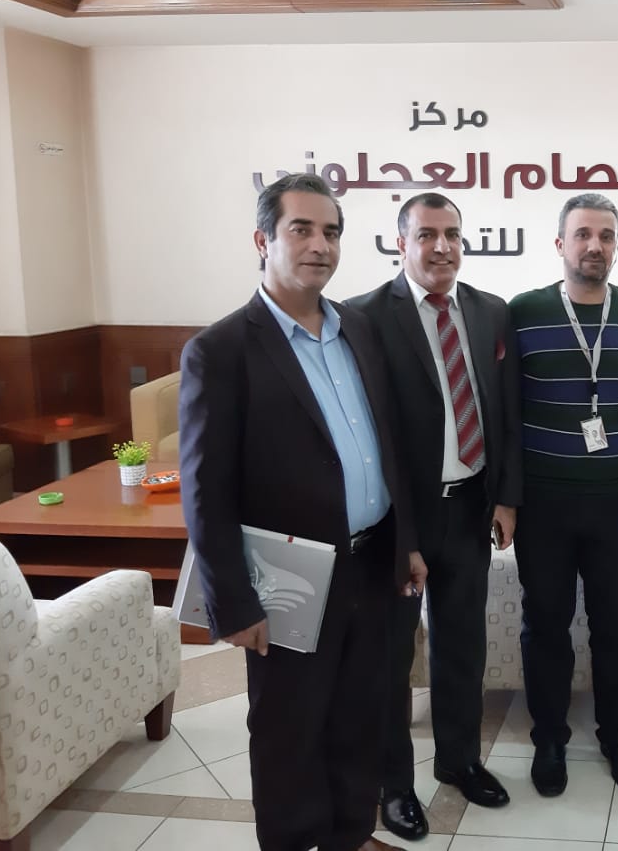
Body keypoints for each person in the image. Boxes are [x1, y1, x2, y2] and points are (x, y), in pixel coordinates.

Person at [179, 172, 425, 851]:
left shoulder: (358, 329)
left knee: (360, 716)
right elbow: (205, 493)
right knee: (289, 727)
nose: (321, 245)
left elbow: (387, 445)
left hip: (371, 562)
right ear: (263, 240)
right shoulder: (221, 351)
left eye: (332, 232)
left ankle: (350, 835)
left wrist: (405, 541)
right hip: (289, 577)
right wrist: (234, 601)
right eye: (302, 229)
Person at [348, 192, 521, 836]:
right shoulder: (364, 317)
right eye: (427, 235)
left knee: (463, 645)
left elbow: (504, 412)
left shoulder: (490, 311)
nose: (442, 247)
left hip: (471, 507)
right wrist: (402, 534)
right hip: (400, 520)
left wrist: (506, 497)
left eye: (452, 234)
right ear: (402, 243)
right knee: (392, 657)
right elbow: (370, 433)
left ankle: (459, 760)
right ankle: (394, 784)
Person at [508, 193, 618, 797]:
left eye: (606, 235)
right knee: (545, 624)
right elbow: (506, 410)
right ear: (560, 244)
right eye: (582, 234)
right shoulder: (523, 312)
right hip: (543, 502)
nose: (595, 246)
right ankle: (549, 738)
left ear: (617, 245)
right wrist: (507, 498)